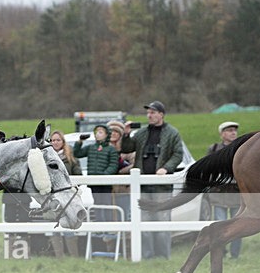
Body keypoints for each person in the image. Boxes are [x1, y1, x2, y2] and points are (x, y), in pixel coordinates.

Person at [121, 100, 184, 259]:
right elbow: (127, 149)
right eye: (148, 112)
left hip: (161, 187)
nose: (149, 115)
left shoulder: (172, 133)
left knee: (162, 221)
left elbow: (177, 154)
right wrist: (126, 134)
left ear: (161, 115)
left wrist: (166, 168)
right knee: (144, 222)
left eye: (153, 112)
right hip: (143, 186)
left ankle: (163, 257)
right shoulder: (141, 134)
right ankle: (148, 257)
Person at [74, 123, 118, 232]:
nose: (97, 134)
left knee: (107, 206)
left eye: (100, 132)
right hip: (94, 184)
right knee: (97, 205)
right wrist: (79, 142)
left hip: (106, 184)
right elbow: (77, 153)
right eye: (96, 132)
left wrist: (104, 175)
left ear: (106, 135)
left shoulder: (111, 149)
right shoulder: (91, 147)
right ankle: (99, 230)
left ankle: (109, 230)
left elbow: (113, 165)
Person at [207, 121, 242, 258]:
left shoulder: (242, 148)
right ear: (222, 134)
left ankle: (235, 255)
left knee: (238, 227)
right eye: (229, 130)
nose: (233, 132)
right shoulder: (214, 149)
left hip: (237, 195)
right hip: (219, 195)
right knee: (219, 227)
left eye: (234, 130)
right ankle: (220, 252)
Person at [47, 130, 80, 257]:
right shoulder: (46, 158)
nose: (55, 142)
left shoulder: (70, 158)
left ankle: (74, 256)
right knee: (54, 227)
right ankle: (59, 256)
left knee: (68, 226)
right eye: (53, 140)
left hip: (67, 198)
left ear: (63, 142)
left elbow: (78, 175)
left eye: (58, 140)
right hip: (52, 198)